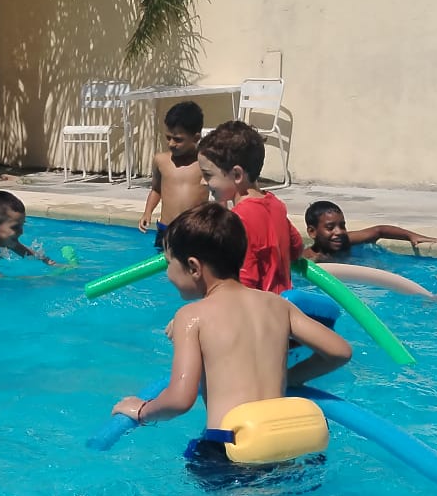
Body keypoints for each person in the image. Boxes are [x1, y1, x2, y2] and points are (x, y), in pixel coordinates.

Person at [112, 203, 351, 467]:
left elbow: (179, 399)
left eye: (169, 264)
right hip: (289, 441)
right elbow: (340, 351)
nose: (167, 274)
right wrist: (289, 379)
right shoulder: (278, 305)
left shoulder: (191, 316)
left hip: (231, 446)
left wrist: (142, 410)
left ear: (193, 267)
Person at [197, 120, 302, 294]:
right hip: (281, 309)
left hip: (256, 316)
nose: (203, 182)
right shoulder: (276, 205)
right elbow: (296, 249)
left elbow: (243, 285)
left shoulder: (238, 220)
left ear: (237, 174)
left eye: (208, 175)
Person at [137, 101, 208, 250]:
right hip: (166, 229)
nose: (171, 144)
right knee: (164, 270)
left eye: (178, 139)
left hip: (194, 231)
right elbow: (156, 189)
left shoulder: (205, 163)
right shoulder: (161, 160)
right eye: (168, 137)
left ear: (195, 138)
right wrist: (147, 212)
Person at [302, 201, 437, 262]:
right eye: (330, 228)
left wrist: (411, 236)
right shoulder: (306, 258)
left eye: (342, 225)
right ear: (312, 232)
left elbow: (379, 231)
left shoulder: (346, 241)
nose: (339, 232)